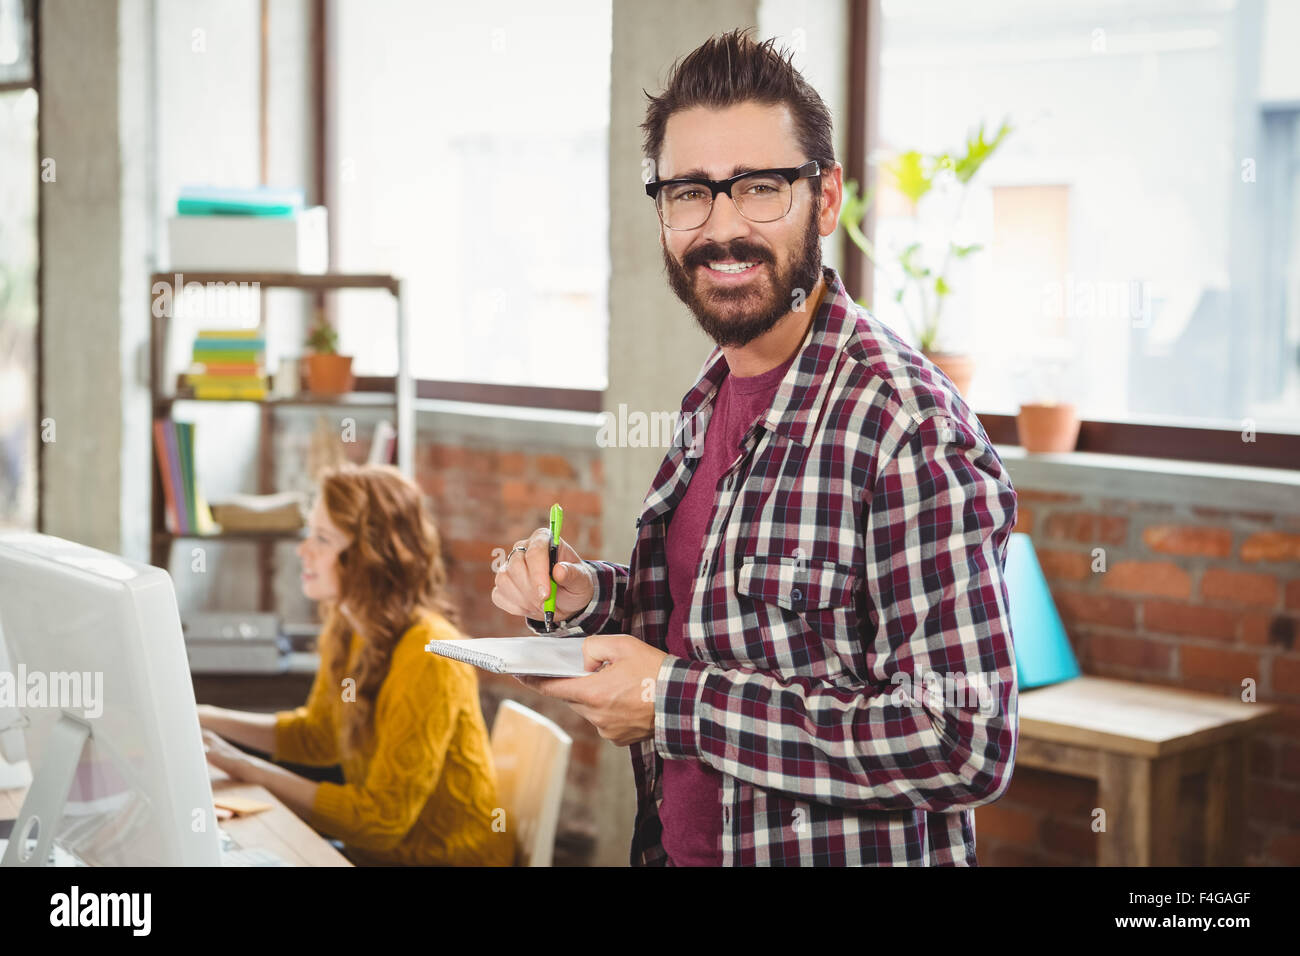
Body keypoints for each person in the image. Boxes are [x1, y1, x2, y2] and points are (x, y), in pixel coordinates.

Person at [491, 29, 1019, 866]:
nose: (722, 228)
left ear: (828, 196)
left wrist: (673, 705)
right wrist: (588, 593)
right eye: (690, 193)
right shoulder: (713, 391)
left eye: (760, 188)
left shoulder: (905, 429)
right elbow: (727, 630)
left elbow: (963, 738)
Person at [199, 463, 513, 867]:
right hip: (378, 856)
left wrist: (246, 766)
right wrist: (204, 718)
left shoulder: (433, 656)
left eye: (323, 539)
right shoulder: (348, 626)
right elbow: (319, 737)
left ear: (371, 557)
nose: (303, 550)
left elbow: (380, 822)